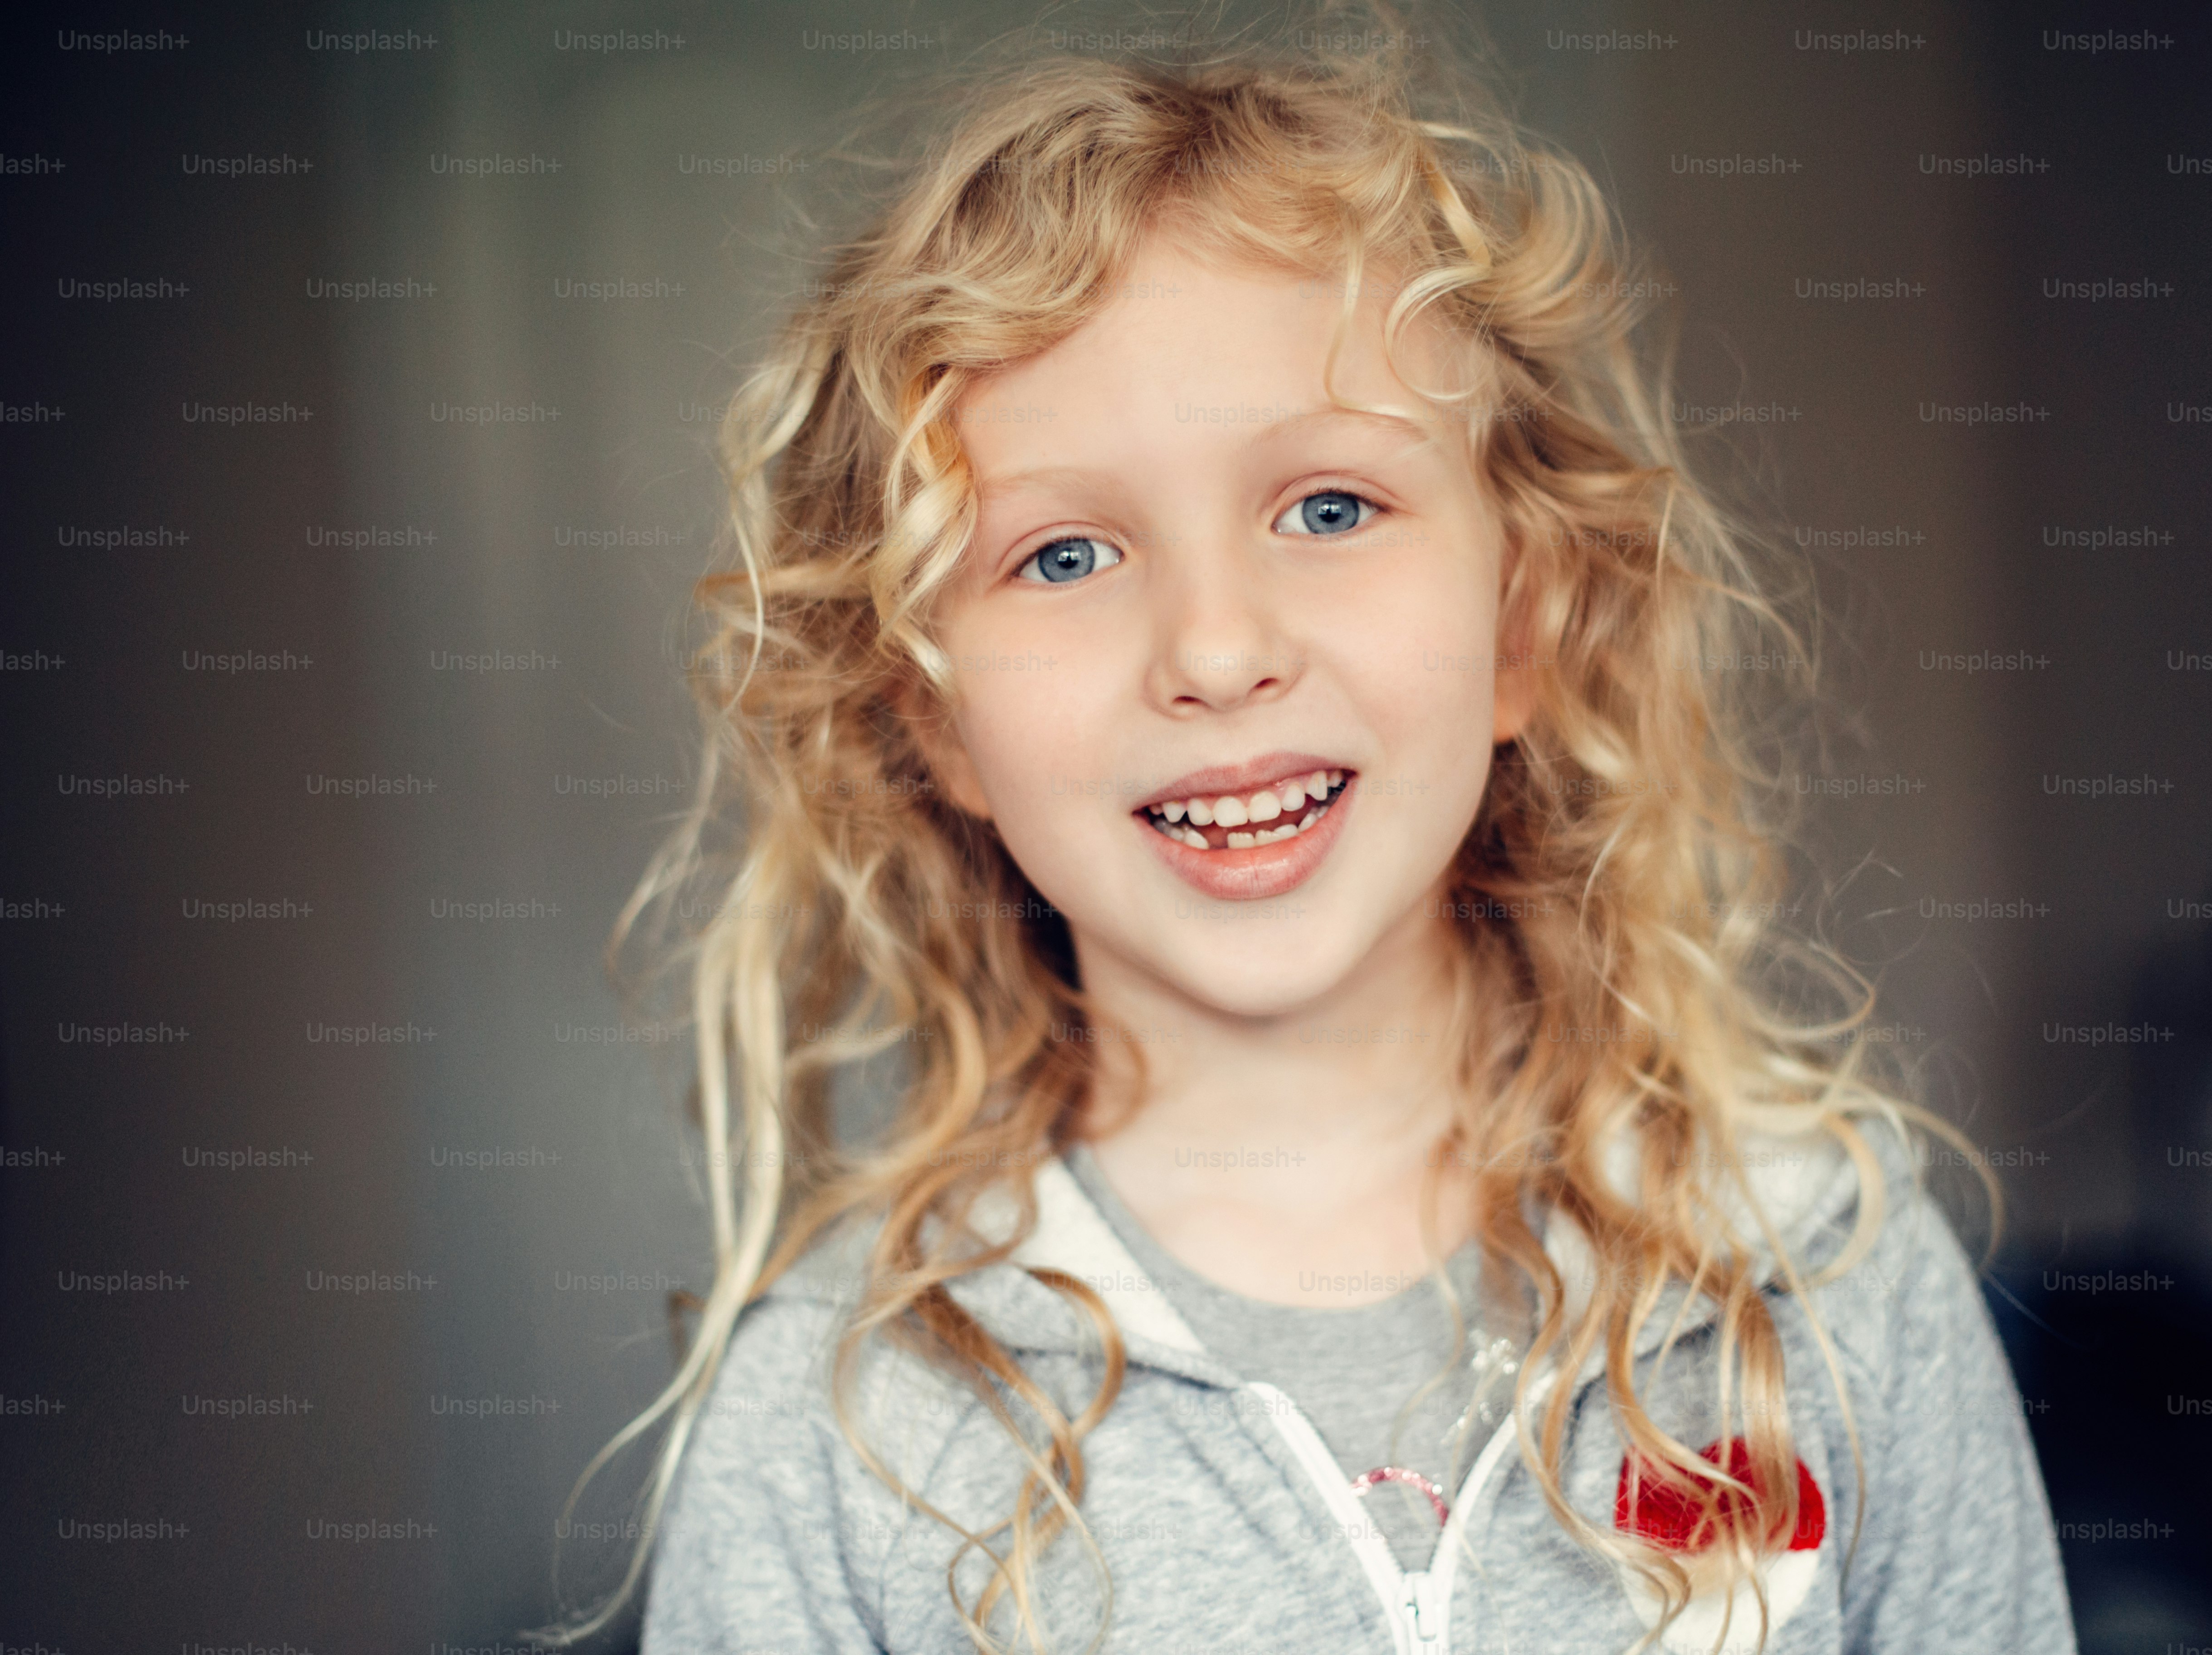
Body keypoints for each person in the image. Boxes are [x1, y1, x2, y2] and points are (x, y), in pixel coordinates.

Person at [549, 23, 2075, 1655]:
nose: (1215, 649)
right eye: (1064, 555)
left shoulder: (1819, 1280)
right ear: (938, 725)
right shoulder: (842, 1425)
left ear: (1523, 623)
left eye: (1329, 509)